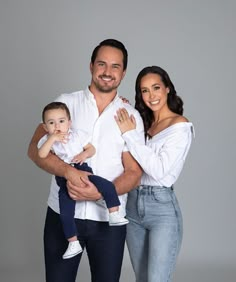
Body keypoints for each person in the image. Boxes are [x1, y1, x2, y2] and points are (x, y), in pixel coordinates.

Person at [27, 39, 144, 282]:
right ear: (91, 66)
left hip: (108, 222)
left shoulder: (130, 115)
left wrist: (100, 194)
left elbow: (134, 172)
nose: (107, 72)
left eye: (115, 66)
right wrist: (68, 171)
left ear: (123, 72)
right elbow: (34, 149)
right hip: (62, 216)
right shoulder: (65, 103)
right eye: (102, 64)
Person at [115, 65, 194, 282]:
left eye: (156, 87)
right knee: (142, 278)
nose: (151, 95)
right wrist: (120, 109)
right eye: (144, 90)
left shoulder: (180, 126)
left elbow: (158, 170)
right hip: (131, 205)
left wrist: (130, 135)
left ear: (168, 88)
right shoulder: (143, 123)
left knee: (156, 279)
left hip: (162, 209)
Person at [38, 101, 129, 260]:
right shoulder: (48, 140)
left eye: (61, 121)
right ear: (45, 127)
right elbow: (41, 155)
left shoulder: (77, 135)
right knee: (66, 212)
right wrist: (52, 139)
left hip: (83, 169)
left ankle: (114, 213)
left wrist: (84, 155)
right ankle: (73, 242)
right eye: (51, 123)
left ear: (69, 122)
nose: (57, 126)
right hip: (64, 177)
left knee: (107, 186)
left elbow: (91, 149)